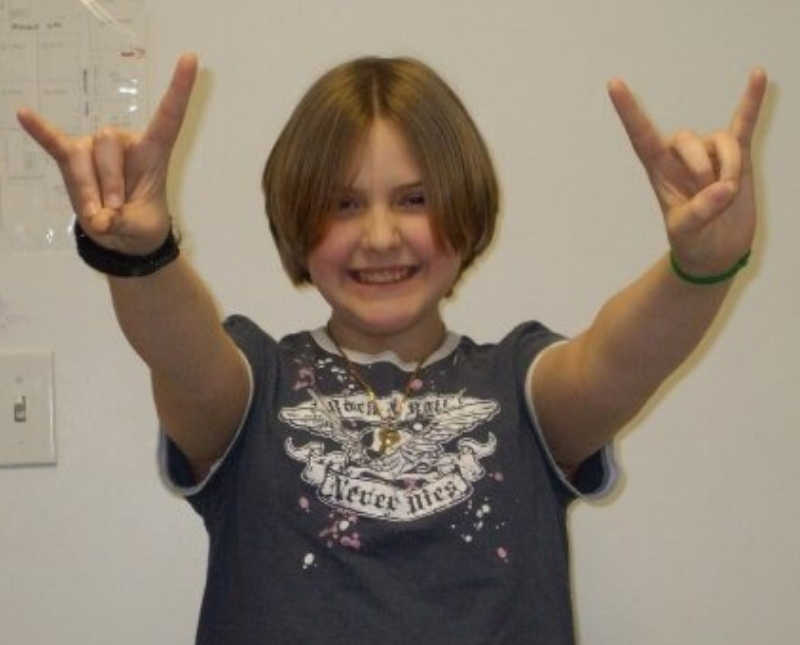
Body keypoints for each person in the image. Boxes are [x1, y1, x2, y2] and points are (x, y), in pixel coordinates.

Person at [17, 53, 767, 644]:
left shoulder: (519, 386)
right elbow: (180, 353)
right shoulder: (256, 379)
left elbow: (615, 359)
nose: (380, 236)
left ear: (467, 211)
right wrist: (144, 257)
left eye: (414, 199)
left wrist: (700, 269)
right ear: (296, 223)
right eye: (344, 204)